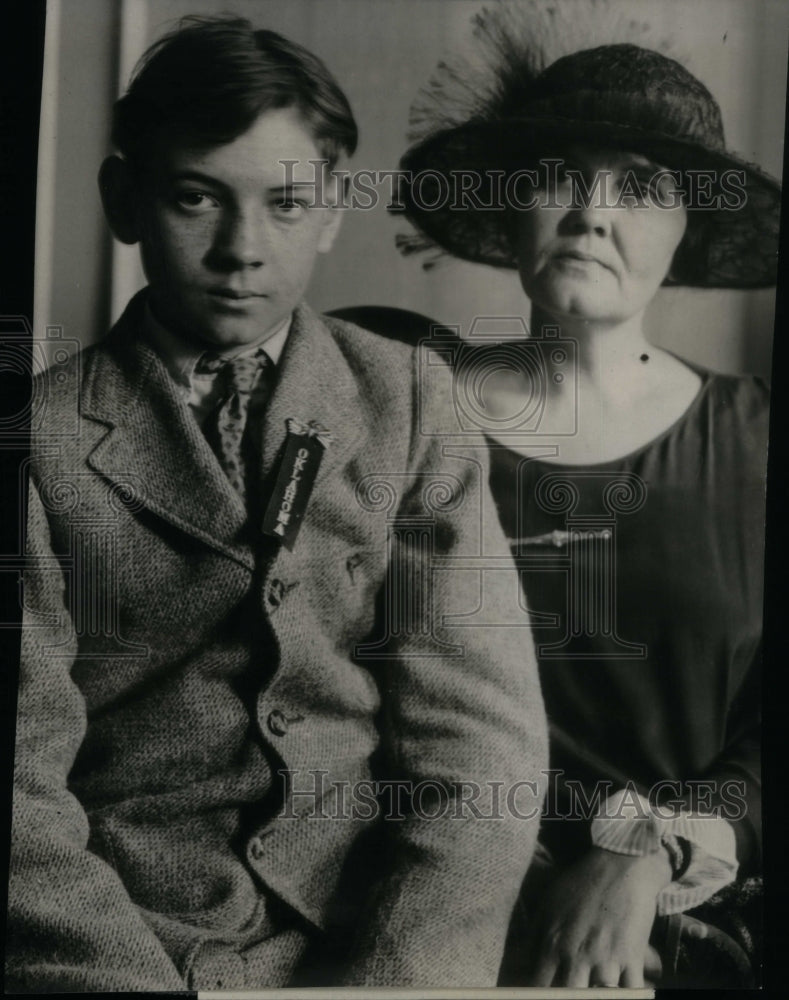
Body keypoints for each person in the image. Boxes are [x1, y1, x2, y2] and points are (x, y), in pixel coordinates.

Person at [6, 16, 549, 992]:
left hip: (366, 945)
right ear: (122, 199)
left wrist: (395, 983)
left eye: (287, 205)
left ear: (335, 210)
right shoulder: (37, 440)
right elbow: (20, 801)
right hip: (128, 948)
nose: (242, 249)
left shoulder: (411, 404)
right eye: (194, 199)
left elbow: (480, 760)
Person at [396, 13, 779, 989]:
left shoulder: (755, 440)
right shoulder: (401, 405)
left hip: (674, 941)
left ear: (688, 222)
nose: (593, 213)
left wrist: (646, 857)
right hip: (422, 912)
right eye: (562, 175)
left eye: (642, 188)